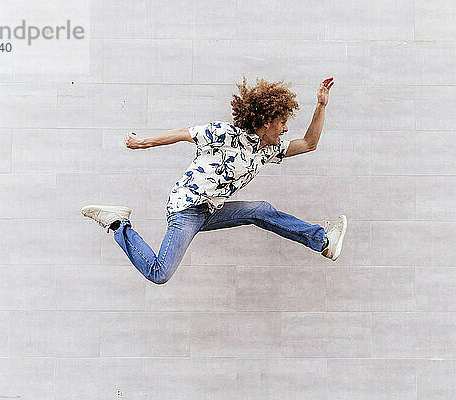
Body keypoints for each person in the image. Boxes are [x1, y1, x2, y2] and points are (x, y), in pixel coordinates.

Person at [81, 76, 346, 285]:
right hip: (185, 209)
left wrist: (321, 106)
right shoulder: (224, 133)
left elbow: (310, 143)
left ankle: (323, 242)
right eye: (281, 122)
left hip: (210, 211)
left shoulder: (268, 150)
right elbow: (183, 133)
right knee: (159, 273)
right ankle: (118, 223)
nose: (286, 128)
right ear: (265, 122)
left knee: (261, 210)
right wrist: (143, 142)